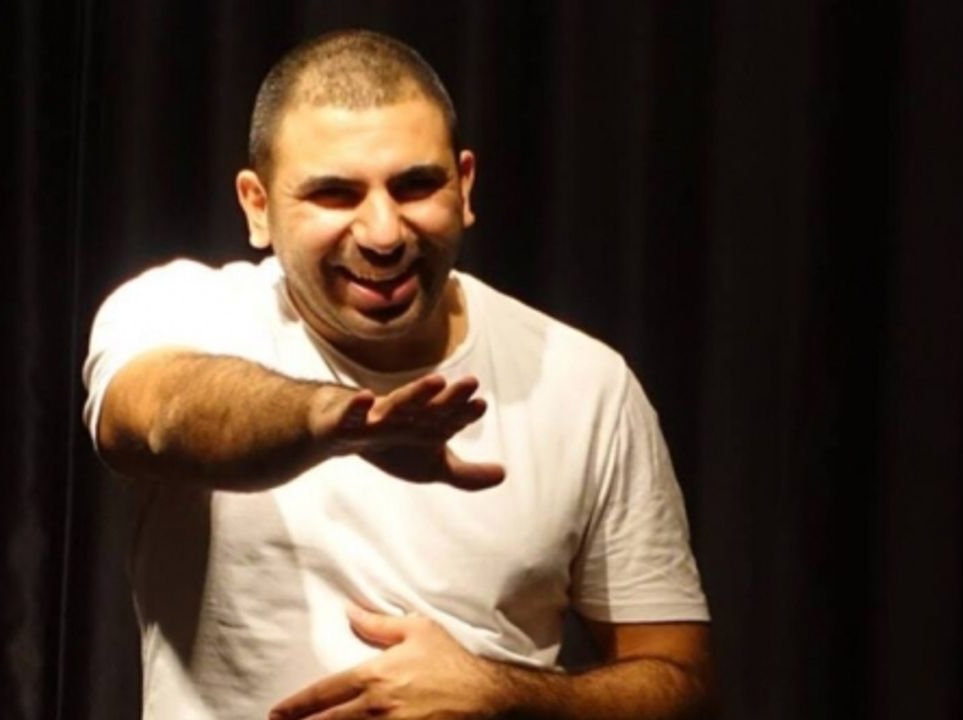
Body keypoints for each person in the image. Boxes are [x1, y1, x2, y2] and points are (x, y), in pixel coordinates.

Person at [83, 29, 712, 720]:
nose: (383, 233)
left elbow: (680, 685)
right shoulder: (179, 312)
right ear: (257, 206)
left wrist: (498, 695)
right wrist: (338, 424)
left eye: (415, 186)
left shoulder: (585, 383)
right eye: (334, 194)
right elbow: (160, 418)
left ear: (464, 186)